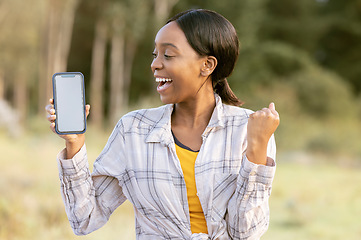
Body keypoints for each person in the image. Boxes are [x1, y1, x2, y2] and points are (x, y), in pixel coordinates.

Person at [46, 9, 279, 240]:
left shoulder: (248, 129)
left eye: (167, 55)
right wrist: (74, 143)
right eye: (155, 54)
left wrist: (257, 150)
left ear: (207, 65)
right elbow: (85, 219)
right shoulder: (133, 130)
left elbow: (245, 233)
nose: (155, 65)